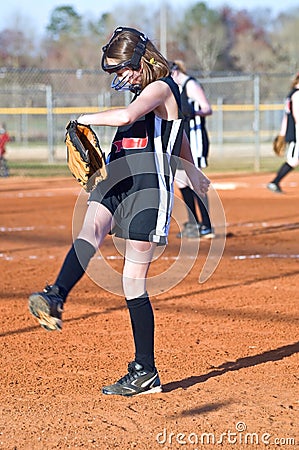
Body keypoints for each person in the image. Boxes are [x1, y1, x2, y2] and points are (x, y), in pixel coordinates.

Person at [28, 27, 210, 397]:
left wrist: (83, 117)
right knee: (88, 231)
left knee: (132, 281)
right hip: (117, 179)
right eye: (114, 73)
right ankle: (55, 295)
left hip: (147, 192)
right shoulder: (143, 90)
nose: (120, 77)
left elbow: (129, 117)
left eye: (123, 69)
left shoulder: (161, 88)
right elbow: (179, 135)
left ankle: (145, 371)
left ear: (143, 59)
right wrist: (192, 169)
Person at [171, 60, 214, 239]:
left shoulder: (191, 84)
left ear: (175, 71)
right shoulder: (177, 88)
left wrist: (192, 114)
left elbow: (207, 109)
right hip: (183, 139)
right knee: (181, 181)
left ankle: (206, 225)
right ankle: (194, 223)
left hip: (195, 139)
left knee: (195, 181)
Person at [267, 72, 299, 194]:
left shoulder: (291, 95)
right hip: (297, 133)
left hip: (293, 131)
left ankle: (275, 182)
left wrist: (282, 133)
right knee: (294, 160)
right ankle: (275, 182)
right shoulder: (297, 94)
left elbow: (286, 117)